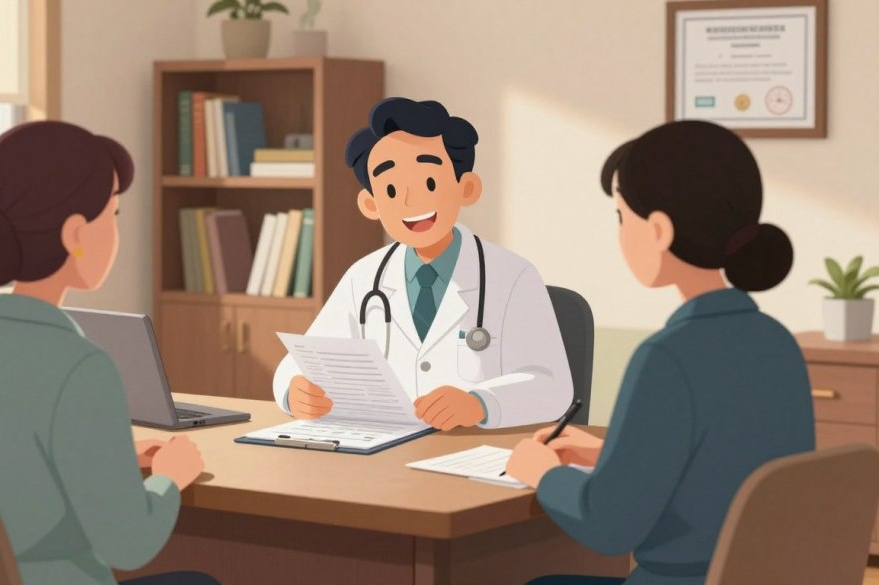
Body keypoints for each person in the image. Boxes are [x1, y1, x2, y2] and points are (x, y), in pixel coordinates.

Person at [505, 120, 815, 585]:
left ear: (658, 230)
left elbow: (607, 526)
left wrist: (543, 473)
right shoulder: (776, 341)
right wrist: (613, 452)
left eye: (621, 216)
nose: (620, 232)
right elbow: (726, 465)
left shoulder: (667, 357)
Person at [0, 121, 217, 585]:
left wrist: (106, 453)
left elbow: (7, 461)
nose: (116, 233)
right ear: (76, 234)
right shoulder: (80, 365)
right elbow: (130, 543)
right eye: (113, 215)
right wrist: (169, 477)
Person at [272, 97, 573, 430]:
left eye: (430, 183)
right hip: (385, 457)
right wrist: (294, 390)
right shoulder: (364, 277)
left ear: (467, 188)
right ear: (371, 204)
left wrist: (480, 403)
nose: (410, 201)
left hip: (475, 453)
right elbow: (302, 362)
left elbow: (553, 387)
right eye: (390, 189)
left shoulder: (513, 277)